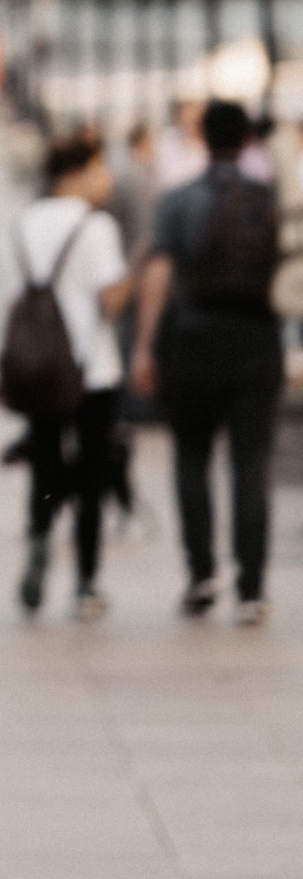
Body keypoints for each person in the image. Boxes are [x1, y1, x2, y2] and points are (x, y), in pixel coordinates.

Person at [133, 97, 282, 623]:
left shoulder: (177, 201)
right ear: (246, 141)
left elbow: (157, 274)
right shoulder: (268, 198)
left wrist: (145, 346)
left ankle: (201, 574)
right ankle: (252, 587)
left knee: (191, 456)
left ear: (202, 138)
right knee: (249, 462)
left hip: (194, 337)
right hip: (256, 338)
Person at [6, 134, 132, 619]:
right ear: (75, 173)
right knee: (94, 469)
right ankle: (85, 583)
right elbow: (110, 302)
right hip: (91, 367)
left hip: (37, 368)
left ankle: (40, 533)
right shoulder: (96, 227)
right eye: (100, 168)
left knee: (43, 463)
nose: (107, 179)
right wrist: (133, 274)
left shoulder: (20, 224)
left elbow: (16, 301)